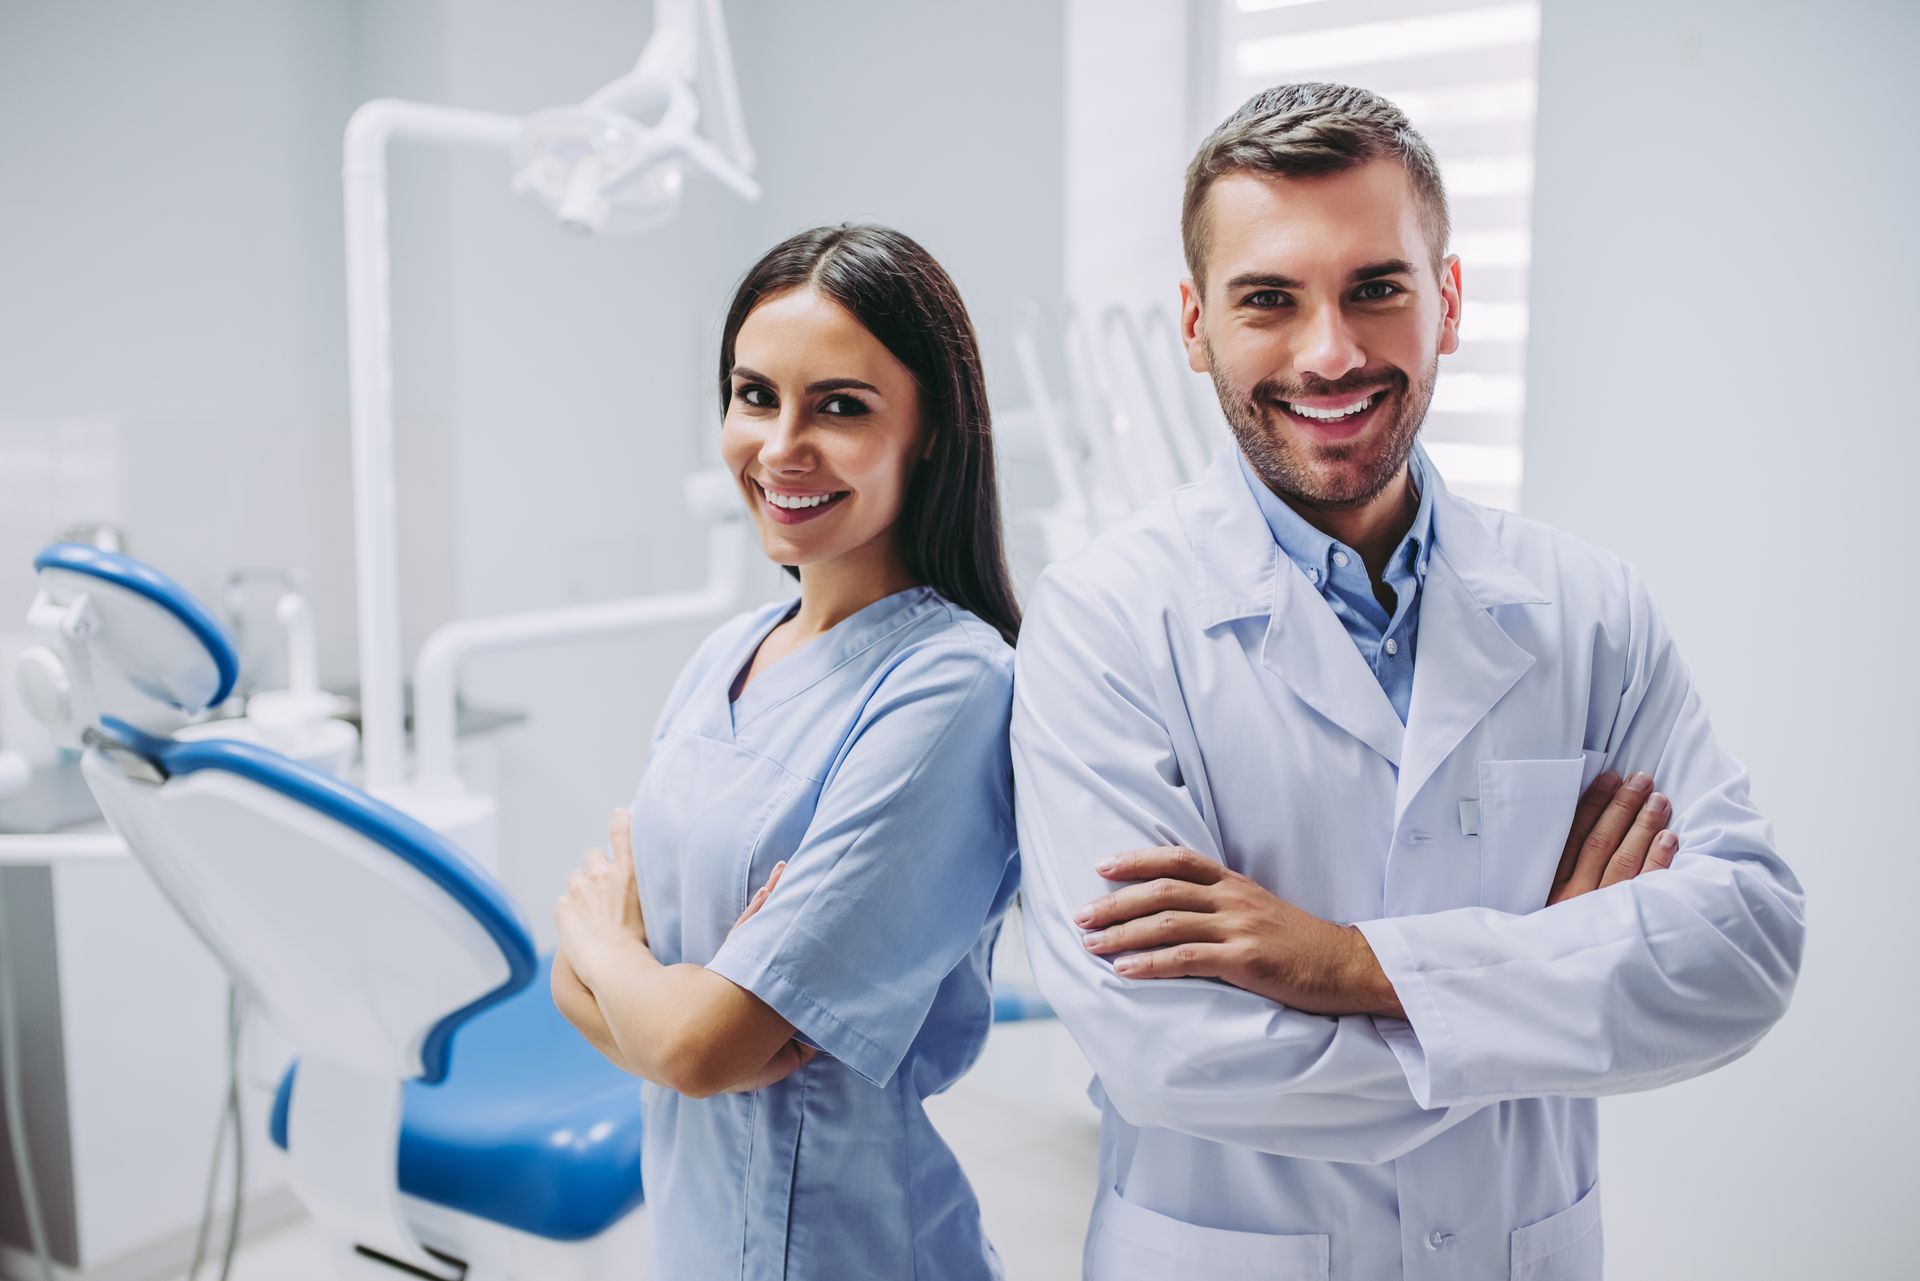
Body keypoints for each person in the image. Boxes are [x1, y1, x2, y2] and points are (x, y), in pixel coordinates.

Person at [1012, 83, 1805, 1280]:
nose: (1330, 352)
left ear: (1449, 301)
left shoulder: (1590, 609)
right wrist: (1550, 971)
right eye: (1268, 299)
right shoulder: (1102, 624)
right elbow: (1169, 1053)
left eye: (1376, 287)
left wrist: (1347, 966)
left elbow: (1744, 947)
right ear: (1194, 324)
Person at [549, 224, 1021, 1280]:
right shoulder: (727, 654)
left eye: (840, 407)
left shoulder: (953, 685)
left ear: (932, 429)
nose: (780, 447)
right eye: (755, 396)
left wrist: (611, 950)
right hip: (694, 1239)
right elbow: (580, 995)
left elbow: (689, 1043)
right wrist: (666, 1001)